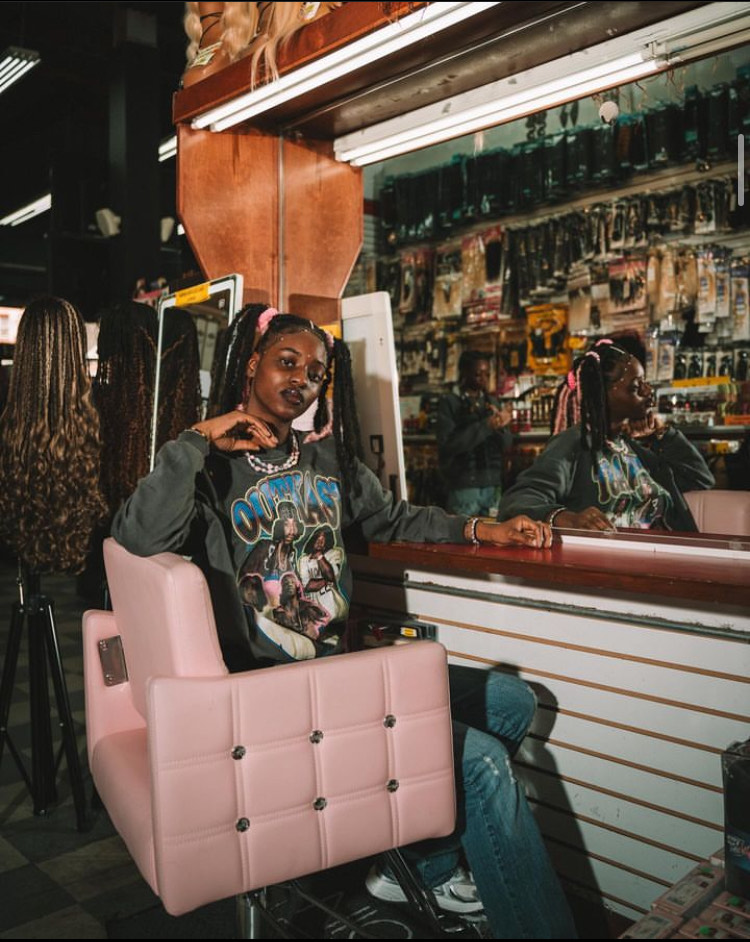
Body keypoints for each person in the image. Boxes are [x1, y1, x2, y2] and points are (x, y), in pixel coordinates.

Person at [111, 307, 577, 939]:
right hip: (272, 698)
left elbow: (396, 519)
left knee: (510, 699)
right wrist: (196, 439)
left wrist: (484, 527)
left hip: (342, 681)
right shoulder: (209, 468)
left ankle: (420, 864)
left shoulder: (328, 460)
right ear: (251, 366)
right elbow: (137, 538)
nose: (302, 379)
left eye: (316, 372)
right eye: (287, 362)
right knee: (483, 763)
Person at [498, 336, 714, 531]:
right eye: (636, 387)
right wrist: (568, 518)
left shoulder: (637, 448)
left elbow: (701, 478)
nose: (648, 392)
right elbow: (518, 500)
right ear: (604, 393)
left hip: (666, 557)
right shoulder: (573, 444)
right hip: (612, 563)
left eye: (645, 383)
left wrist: (663, 434)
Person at [436, 349, 513, 517]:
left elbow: (507, 445)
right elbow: (448, 446)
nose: (484, 379)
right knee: (462, 538)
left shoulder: (491, 403)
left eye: (487, 374)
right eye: (478, 374)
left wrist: (502, 426)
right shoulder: (450, 402)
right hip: (464, 488)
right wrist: (486, 425)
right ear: (465, 373)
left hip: (492, 486)